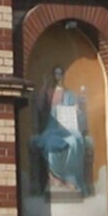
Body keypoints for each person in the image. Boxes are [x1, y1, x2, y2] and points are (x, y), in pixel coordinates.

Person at [30, 67, 92, 195]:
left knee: (75, 143)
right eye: (55, 74)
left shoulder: (69, 94)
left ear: (63, 76)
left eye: (60, 73)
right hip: (52, 129)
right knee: (51, 145)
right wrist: (44, 86)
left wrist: (77, 110)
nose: (58, 76)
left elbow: (79, 116)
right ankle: (55, 178)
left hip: (68, 130)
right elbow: (40, 108)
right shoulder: (48, 92)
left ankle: (71, 179)